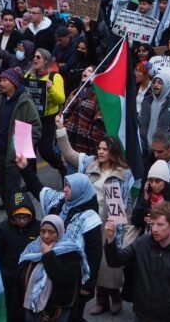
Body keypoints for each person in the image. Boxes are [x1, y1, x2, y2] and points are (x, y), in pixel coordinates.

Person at [55, 114, 134, 315]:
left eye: (104, 149)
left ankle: (115, 295)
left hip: (109, 223)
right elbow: (69, 153)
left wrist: (121, 227)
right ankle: (100, 298)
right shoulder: (88, 164)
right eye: (99, 148)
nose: (100, 152)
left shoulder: (122, 173)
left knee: (110, 263)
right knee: (93, 261)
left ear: (113, 152)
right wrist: (61, 129)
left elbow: (125, 204)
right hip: (89, 222)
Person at [15, 156, 103, 321]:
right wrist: (25, 168)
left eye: (70, 186)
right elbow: (38, 189)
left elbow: (94, 252)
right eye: (66, 184)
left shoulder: (90, 217)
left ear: (80, 190)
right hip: (49, 268)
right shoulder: (60, 202)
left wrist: (89, 285)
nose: (66, 189)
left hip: (72, 273)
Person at [104, 201, 170, 321]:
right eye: (152, 224)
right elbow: (116, 261)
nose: (154, 229)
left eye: (160, 225)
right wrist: (110, 239)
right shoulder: (142, 243)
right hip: (141, 316)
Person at [0, 68, 41, 209]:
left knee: (14, 187)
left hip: (15, 152)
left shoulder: (25, 101)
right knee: (2, 185)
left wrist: (22, 146)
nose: (1, 83)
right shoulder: (0, 97)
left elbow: (36, 127)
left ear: (13, 83)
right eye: (0, 80)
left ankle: (19, 208)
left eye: (4, 80)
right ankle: (9, 207)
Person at [18, 214, 84, 322]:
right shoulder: (32, 249)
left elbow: (64, 279)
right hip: (30, 308)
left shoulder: (70, 253)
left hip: (58, 311)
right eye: (43, 231)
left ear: (60, 232)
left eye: (51, 232)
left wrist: (48, 256)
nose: (46, 236)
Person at [0, 191, 40, 319]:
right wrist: (2, 273)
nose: (22, 221)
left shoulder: (39, 228)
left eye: (26, 217)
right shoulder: (4, 228)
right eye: (18, 217)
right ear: (11, 216)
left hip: (30, 281)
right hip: (9, 280)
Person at [23, 48, 67, 180]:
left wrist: (50, 88)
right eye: (34, 57)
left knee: (45, 150)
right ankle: (32, 180)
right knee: (27, 150)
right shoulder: (28, 76)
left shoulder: (55, 77)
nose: (34, 59)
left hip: (47, 118)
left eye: (38, 57)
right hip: (30, 116)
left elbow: (61, 99)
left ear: (46, 61)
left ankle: (61, 167)